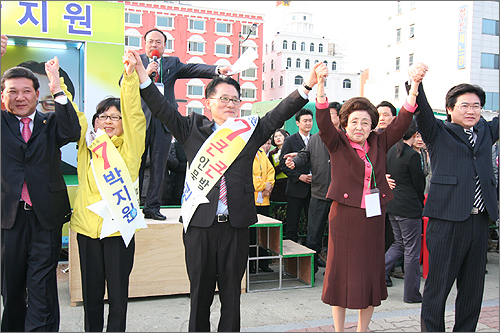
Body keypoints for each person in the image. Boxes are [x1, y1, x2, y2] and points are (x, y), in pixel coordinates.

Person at [133, 49, 324, 331]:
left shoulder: (249, 130)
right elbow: (161, 108)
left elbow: (278, 113)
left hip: (236, 225)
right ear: (209, 102)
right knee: (199, 294)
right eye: (224, 98)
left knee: (232, 295)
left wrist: (306, 86)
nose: (230, 104)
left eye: (235, 99)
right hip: (200, 226)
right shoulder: (191, 128)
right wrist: (140, 74)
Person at [316, 63, 422, 332]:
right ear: (345, 123)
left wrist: (414, 88)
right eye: (354, 121)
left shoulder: (379, 142)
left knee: (369, 273)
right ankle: (339, 329)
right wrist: (320, 84)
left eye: (365, 122)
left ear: (372, 125)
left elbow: (402, 122)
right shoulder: (336, 142)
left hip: (373, 216)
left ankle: (363, 329)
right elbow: (323, 122)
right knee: (339, 272)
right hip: (344, 215)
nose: (359, 126)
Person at [407, 62, 499, 332]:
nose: (471, 111)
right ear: (449, 109)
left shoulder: (486, 133)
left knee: (472, 290)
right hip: (447, 222)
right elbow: (421, 110)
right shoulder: (437, 132)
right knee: (437, 289)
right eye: (464, 105)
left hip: (479, 222)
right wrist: (416, 83)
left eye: (476, 106)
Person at [1, 55, 81, 331]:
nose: (20, 97)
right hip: (8, 220)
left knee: (41, 286)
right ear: (3, 96)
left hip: (45, 217)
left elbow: (73, 130)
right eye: (12, 91)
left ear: (38, 94)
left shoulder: (50, 123)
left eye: (26, 91)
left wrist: (57, 87)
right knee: (11, 288)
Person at [69, 50, 146, 332]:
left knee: (117, 295)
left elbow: (135, 115)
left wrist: (129, 77)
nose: (109, 121)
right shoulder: (86, 146)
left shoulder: (130, 148)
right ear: (95, 121)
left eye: (115, 117)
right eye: (103, 116)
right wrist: (58, 86)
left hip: (118, 232)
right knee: (91, 295)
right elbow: (73, 116)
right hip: (87, 231)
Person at [136, 28, 231, 221]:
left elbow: (193, 69)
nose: (154, 45)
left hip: (164, 121)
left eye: (159, 42)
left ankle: (152, 207)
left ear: (164, 45)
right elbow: (124, 82)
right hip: (140, 121)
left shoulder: (172, 63)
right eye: (151, 41)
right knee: (135, 164)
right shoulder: (136, 62)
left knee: (159, 165)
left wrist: (217, 70)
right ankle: (132, 206)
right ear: (144, 43)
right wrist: (144, 73)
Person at [283, 101, 341, 273]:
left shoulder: (346, 138)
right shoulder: (316, 138)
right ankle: (311, 268)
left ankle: (336, 268)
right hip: (318, 193)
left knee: (338, 235)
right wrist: (294, 162)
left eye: (332, 115)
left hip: (340, 195)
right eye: (325, 116)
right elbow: (304, 156)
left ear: (339, 118)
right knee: (313, 234)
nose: (328, 119)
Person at [384, 119, 426, 303]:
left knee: (399, 244)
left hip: (393, 205)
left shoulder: (392, 150)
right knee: (411, 251)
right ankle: (411, 294)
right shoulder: (412, 155)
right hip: (409, 208)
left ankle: (374, 276)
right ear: (415, 134)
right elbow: (419, 184)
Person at [279, 108, 313, 243]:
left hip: (313, 188)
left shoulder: (315, 139)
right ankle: (291, 257)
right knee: (293, 223)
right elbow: (283, 165)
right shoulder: (290, 140)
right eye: (305, 121)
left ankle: (312, 254)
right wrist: (299, 176)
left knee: (313, 223)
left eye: (310, 120)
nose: (308, 123)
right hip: (296, 188)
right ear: (297, 123)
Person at [249, 143, 275, 274]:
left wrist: (269, 186)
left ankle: (264, 263)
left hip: (264, 200)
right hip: (251, 200)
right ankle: (251, 265)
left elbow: (271, 171)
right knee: (251, 235)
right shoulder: (245, 152)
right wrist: (263, 185)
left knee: (264, 234)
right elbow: (246, 175)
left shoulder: (261, 153)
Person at [268, 129, 290, 221]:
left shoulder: (291, 150)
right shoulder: (272, 153)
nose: (278, 138)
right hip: (278, 187)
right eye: (275, 136)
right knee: (279, 213)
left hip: (290, 184)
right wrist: (282, 165)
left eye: (280, 135)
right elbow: (271, 170)